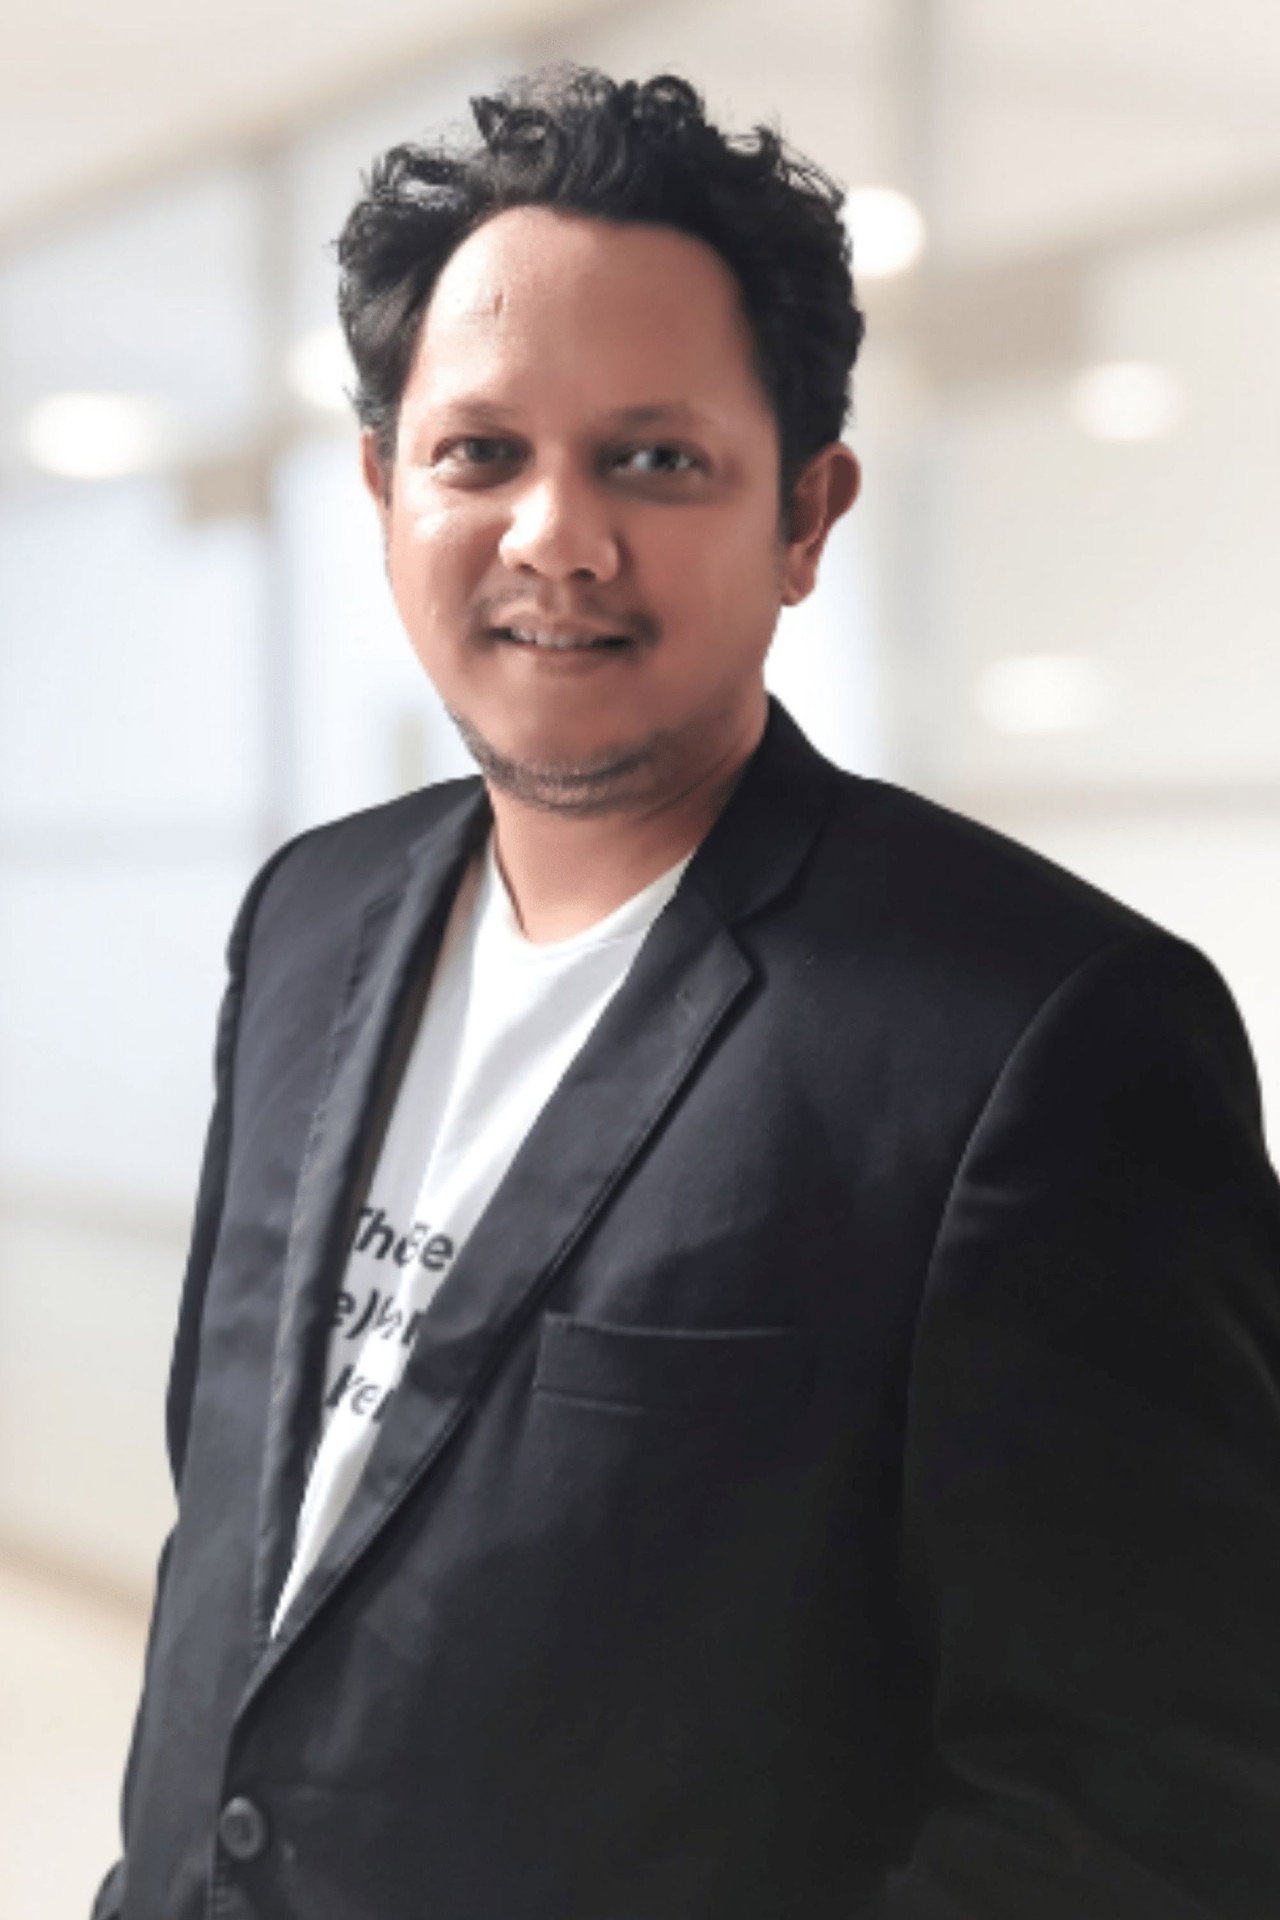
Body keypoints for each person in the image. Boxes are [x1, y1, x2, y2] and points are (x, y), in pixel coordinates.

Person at [94, 68, 1280, 1920]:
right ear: (384, 489)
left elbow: (1148, 1818)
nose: (555, 536)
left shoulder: (1041, 1042)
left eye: (652, 460)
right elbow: (248, 1550)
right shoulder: (309, 918)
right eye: (480, 452)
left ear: (806, 514)